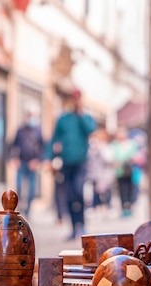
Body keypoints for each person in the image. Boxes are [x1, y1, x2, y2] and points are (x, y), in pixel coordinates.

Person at [49, 89, 96, 240]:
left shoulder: (85, 117)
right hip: (66, 162)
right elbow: (54, 139)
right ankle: (73, 226)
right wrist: (50, 158)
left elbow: (91, 130)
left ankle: (81, 224)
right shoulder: (63, 119)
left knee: (78, 191)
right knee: (68, 195)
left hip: (81, 162)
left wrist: (81, 113)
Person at [9, 106, 45, 216]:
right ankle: (20, 208)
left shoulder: (38, 131)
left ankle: (28, 210)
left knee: (32, 190)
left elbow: (43, 148)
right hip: (21, 162)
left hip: (32, 164)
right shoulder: (20, 130)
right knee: (19, 186)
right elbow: (12, 145)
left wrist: (37, 160)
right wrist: (14, 158)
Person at [110, 126, 140, 217]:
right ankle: (124, 207)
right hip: (120, 171)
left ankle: (129, 205)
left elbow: (136, 154)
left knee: (132, 189)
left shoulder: (131, 144)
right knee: (122, 189)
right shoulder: (114, 145)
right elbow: (112, 157)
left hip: (131, 170)